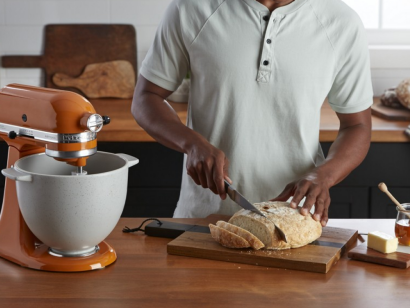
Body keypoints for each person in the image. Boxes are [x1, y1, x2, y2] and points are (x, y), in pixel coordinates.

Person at [132, 0, 373, 227]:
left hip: (294, 221)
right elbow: (146, 97)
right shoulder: (191, 8)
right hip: (204, 219)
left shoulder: (341, 22)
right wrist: (192, 143)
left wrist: (324, 176)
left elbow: (357, 126)